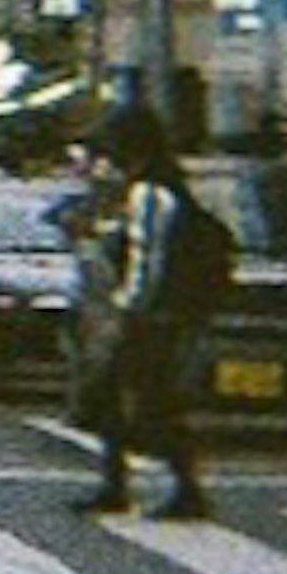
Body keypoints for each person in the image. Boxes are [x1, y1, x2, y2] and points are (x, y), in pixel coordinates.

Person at [73, 99, 212, 521]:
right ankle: (121, 484)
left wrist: (130, 309)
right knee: (126, 400)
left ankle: (177, 489)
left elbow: (148, 257)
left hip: (149, 318)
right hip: (161, 315)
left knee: (142, 402)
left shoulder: (150, 191)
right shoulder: (166, 186)